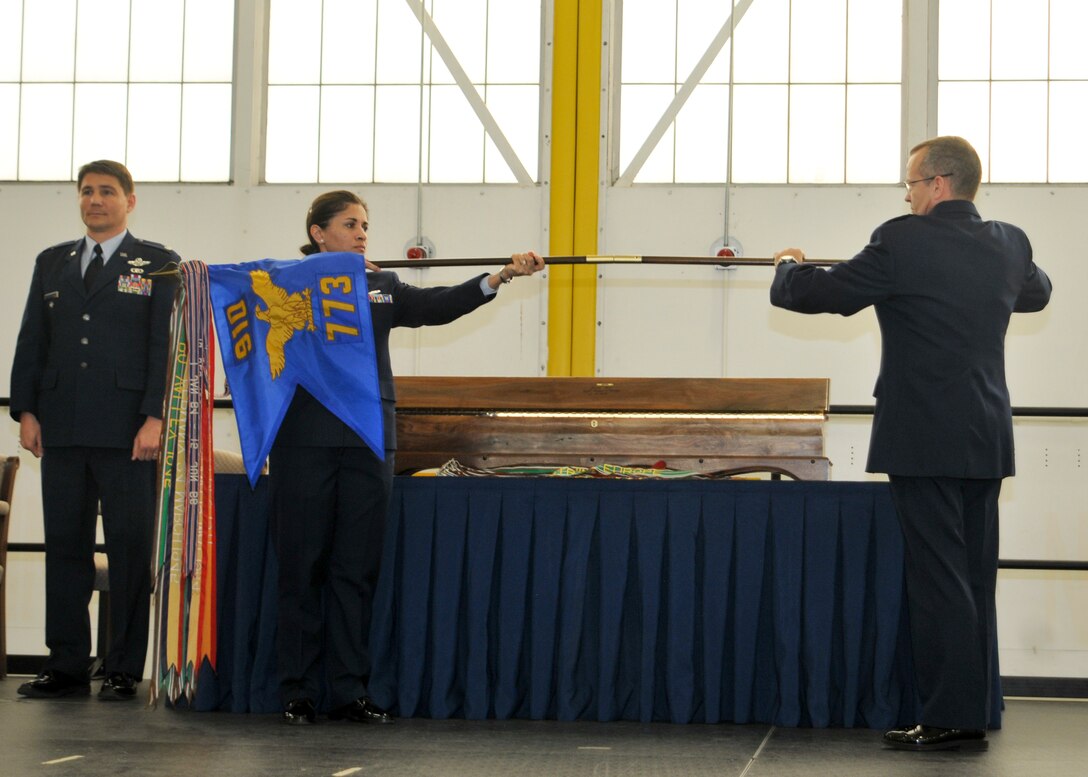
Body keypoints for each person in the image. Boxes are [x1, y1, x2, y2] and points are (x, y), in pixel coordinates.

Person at [770, 136, 1051, 751]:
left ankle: (949, 715)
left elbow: (827, 295)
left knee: (939, 579)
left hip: (923, 435)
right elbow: (1037, 292)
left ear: (938, 184)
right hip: (985, 433)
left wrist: (787, 268)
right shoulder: (1010, 242)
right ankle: (974, 708)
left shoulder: (900, 239)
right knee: (975, 577)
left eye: (911, 182)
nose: (906, 192)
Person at [272, 190, 544, 725]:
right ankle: (296, 691)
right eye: (350, 224)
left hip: (368, 441)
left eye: (366, 225)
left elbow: (435, 306)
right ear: (318, 232)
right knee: (301, 568)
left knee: (356, 571)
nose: (363, 233)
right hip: (303, 442)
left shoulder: (380, 284)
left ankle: (350, 690)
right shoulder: (281, 283)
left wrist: (499, 277)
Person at [10, 160, 179, 700]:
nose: (95, 200)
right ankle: (65, 664)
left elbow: (163, 347)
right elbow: (32, 340)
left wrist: (156, 416)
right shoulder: (52, 262)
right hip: (61, 426)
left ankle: (125, 667)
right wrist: (27, 410)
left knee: (129, 550)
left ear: (130, 199)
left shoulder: (157, 263)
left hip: (130, 432)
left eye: (107, 191)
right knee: (65, 548)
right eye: (86, 192)